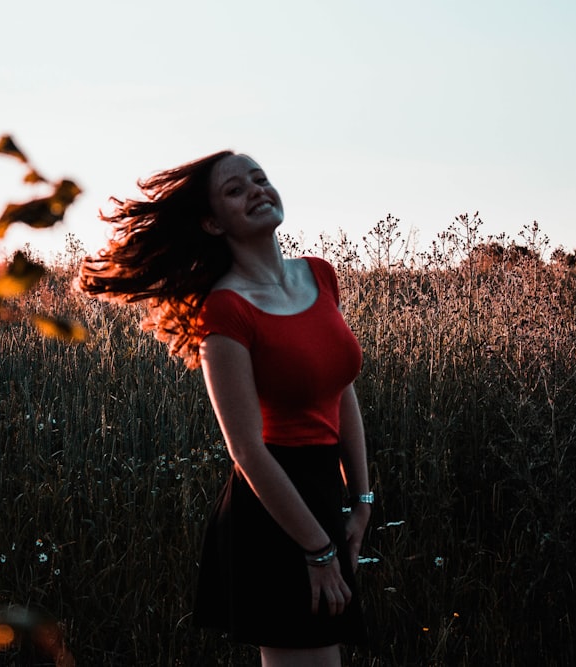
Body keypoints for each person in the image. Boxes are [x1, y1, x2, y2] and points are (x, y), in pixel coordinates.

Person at [76, 150, 371, 665]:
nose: (257, 190)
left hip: (326, 493)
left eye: (260, 179)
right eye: (236, 189)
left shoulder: (320, 276)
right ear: (212, 222)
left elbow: (340, 388)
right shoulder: (226, 309)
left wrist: (361, 499)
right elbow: (247, 451)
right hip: (275, 508)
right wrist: (316, 548)